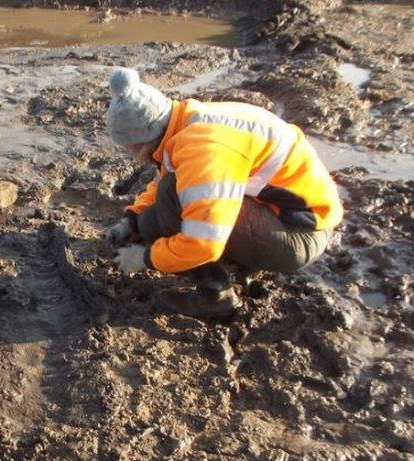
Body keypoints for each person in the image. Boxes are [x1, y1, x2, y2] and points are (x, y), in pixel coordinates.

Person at [104, 68, 343, 320]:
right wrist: (131, 218)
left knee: (172, 201)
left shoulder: (203, 149)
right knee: (151, 220)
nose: (129, 151)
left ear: (143, 136)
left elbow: (203, 242)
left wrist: (146, 258)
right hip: (279, 211)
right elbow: (173, 174)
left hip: (299, 234)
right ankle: (243, 263)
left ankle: (215, 296)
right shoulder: (189, 120)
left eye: (128, 146)